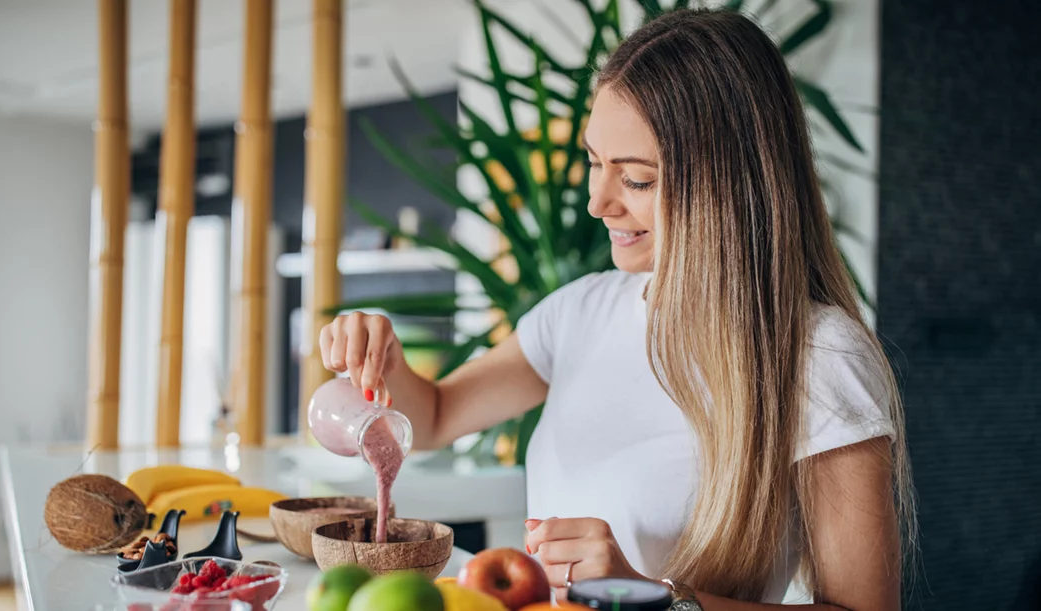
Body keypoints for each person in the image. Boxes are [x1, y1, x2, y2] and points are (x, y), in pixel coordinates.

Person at [319, 8, 913, 610]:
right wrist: (385, 359)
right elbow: (438, 416)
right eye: (594, 162)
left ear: (729, 185)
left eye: (637, 180)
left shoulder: (818, 356)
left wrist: (652, 599)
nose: (598, 201)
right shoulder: (579, 311)